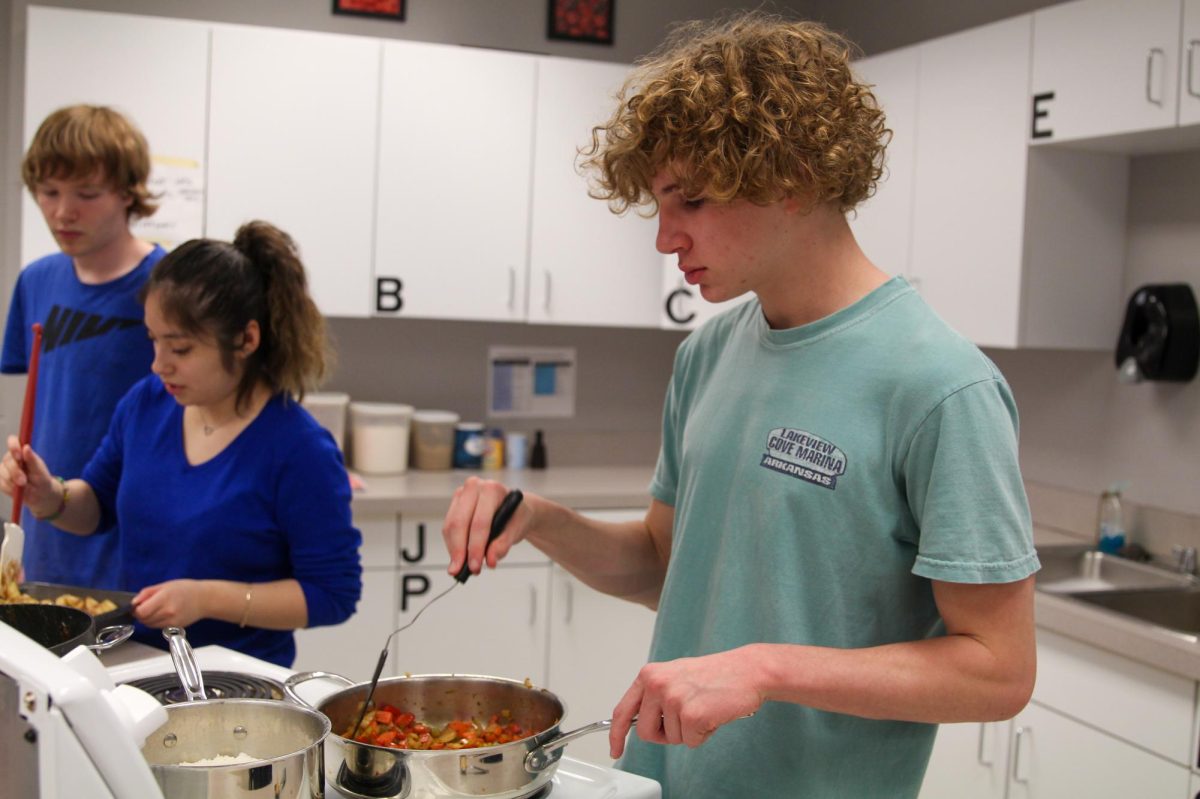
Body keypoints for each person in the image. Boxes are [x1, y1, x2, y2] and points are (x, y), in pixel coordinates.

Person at [440, 11, 1039, 798]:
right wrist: (540, 520)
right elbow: (666, 564)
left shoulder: (940, 386)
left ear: (790, 177)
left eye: (689, 202)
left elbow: (998, 670)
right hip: (660, 781)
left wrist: (765, 668)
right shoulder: (709, 354)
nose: (664, 239)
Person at [0, 220, 362, 667]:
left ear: (247, 339)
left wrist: (207, 598)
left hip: (237, 679)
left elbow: (332, 595)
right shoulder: (146, 405)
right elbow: (95, 506)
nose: (158, 365)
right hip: (136, 661)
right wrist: (49, 495)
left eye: (181, 349)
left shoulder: (299, 449)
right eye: (153, 340)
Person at [2, 104, 166, 590]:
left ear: (127, 193)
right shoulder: (36, 280)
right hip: (47, 535)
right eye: (48, 193)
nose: (62, 211)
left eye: (87, 194)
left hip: (133, 544)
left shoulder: (170, 285)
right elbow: (44, 406)